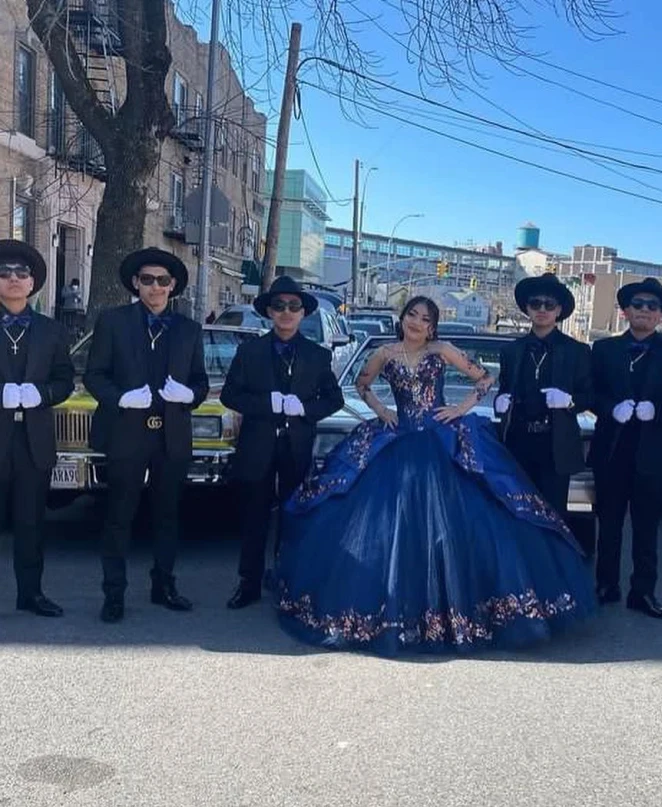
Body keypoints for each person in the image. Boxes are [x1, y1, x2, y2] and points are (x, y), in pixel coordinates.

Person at [274, 295, 595, 655]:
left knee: (463, 525)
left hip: (441, 440)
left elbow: (485, 378)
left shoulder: (442, 349)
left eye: (425, 318)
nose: (416, 322)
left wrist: (459, 409)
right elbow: (363, 386)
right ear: (403, 318)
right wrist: (381, 410)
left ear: (432, 326)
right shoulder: (385, 353)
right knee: (387, 527)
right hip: (398, 439)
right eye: (412, 314)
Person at [84, 247, 208, 623]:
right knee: (119, 515)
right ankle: (114, 594)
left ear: (173, 287)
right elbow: (94, 376)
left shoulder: (189, 330)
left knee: (167, 516)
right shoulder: (113, 322)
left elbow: (200, 381)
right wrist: (121, 398)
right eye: (148, 280)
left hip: (171, 435)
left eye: (163, 281)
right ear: (136, 283)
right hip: (126, 432)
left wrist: (190, 396)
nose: (156, 287)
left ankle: (164, 585)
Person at [221, 276, 344, 609]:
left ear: (303, 313)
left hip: (297, 445)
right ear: (269, 312)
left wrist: (305, 408)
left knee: (293, 514)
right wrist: (266, 403)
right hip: (257, 446)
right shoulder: (250, 351)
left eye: (293, 306)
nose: (286, 312)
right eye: (279, 306)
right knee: (254, 517)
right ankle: (249, 583)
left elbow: (334, 399)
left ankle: (288, 579)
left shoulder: (317, 355)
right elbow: (231, 394)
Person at [589, 278, 662, 619]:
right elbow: (590, 391)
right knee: (610, 523)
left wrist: (657, 410)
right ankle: (606, 584)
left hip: (651, 450)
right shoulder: (603, 350)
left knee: (647, 527)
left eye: (652, 306)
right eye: (638, 304)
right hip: (611, 448)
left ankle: (643, 592)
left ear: (661, 315)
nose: (644, 310)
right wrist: (609, 408)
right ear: (626, 310)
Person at [0, 239, 74, 616]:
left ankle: (31, 594)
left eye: (21, 273)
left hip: (34, 442)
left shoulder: (52, 330)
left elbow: (65, 380)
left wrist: (41, 394)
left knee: (31, 526)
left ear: (33, 283)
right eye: (5, 272)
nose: (13, 278)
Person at [494, 272, 592, 518]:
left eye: (549, 305)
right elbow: (505, 391)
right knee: (516, 514)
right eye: (536, 303)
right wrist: (500, 401)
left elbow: (591, 395)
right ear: (527, 308)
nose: (542, 309)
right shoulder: (511, 351)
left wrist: (569, 401)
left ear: (558, 310)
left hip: (555, 446)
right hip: (518, 443)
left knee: (553, 516)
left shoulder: (576, 351)